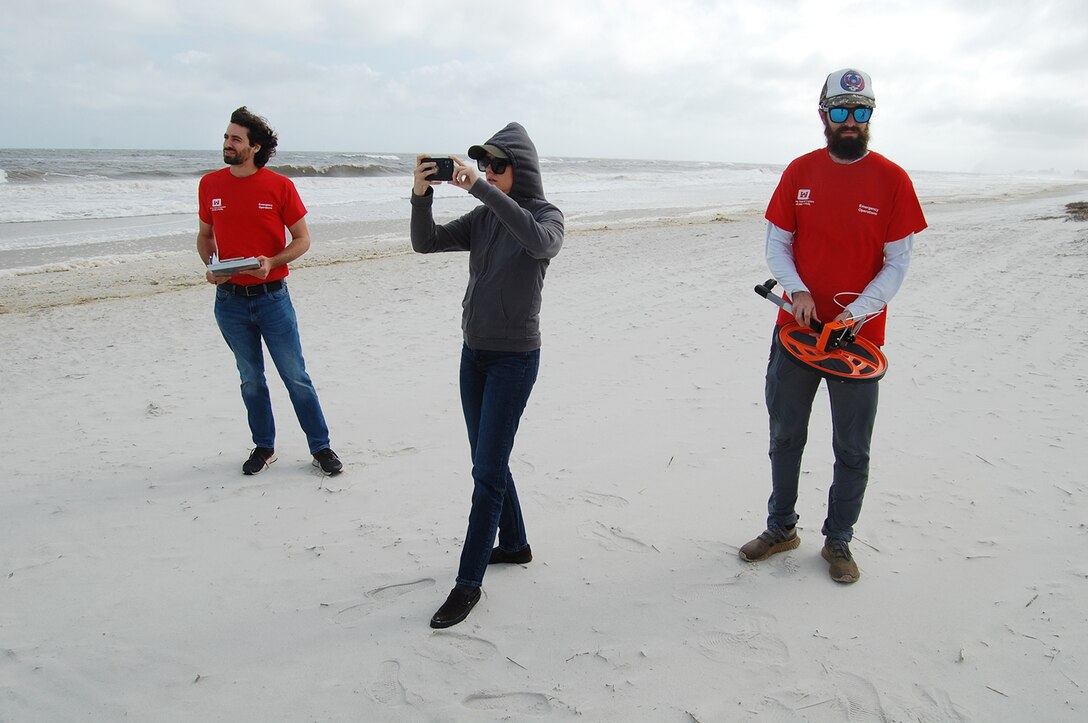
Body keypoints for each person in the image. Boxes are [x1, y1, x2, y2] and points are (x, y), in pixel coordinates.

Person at [739, 69, 927, 583]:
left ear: (871, 116)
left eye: (860, 112)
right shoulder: (800, 171)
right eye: (840, 111)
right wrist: (796, 289)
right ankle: (781, 528)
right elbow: (778, 243)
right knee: (785, 435)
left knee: (852, 448)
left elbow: (897, 264)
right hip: (795, 333)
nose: (850, 121)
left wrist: (857, 311)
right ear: (823, 114)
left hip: (858, 342)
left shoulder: (893, 180)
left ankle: (838, 541)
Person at [410, 123, 563, 628]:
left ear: (522, 168)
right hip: (472, 354)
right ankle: (515, 544)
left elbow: (539, 244)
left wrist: (478, 185)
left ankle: (468, 582)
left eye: (498, 165)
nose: (490, 172)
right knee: (488, 460)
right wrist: (421, 194)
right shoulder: (482, 218)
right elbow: (425, 242)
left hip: (514, 360)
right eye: (485, 165)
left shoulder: (545, 216)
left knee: (487, 473)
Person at [196, 106, 342, 477]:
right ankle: (264, 447)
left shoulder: (280, 186)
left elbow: (304, 239)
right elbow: (205, 236)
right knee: (250, 379)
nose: (227, 144)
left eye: (235, 139)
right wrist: (211, 268)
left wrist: (272, 261)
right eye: (226, 137)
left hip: (273, 297)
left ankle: (321, 448)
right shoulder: (210, 184)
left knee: (295, 376)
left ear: (255, 147)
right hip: (229, 302)